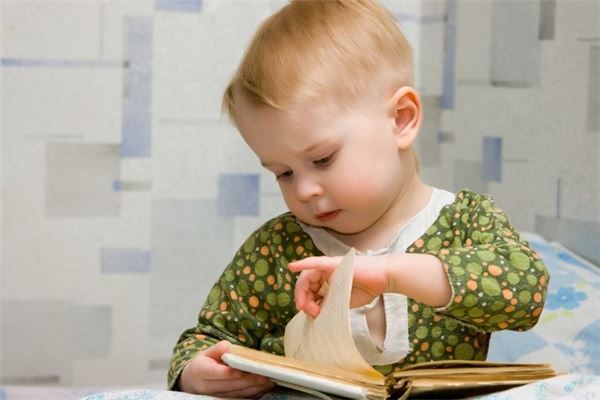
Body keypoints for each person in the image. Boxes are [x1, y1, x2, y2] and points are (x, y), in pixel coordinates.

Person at [168, 0, 550, 397]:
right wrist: (197, 372)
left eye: (323, 159)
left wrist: (391, 274)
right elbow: (207, 337)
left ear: (401, 119)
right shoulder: (277, 248)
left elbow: (525, 290)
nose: (304, 190)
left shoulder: (465, 221)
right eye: (283, 173)